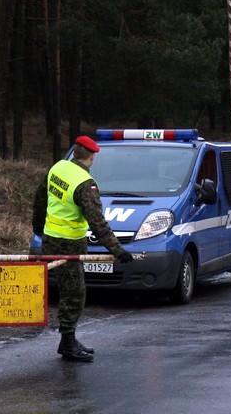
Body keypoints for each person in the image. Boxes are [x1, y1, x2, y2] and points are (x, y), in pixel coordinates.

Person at [32, 135, 134, 362]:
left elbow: (40, 198)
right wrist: (118, 251)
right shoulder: (85, 184)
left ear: (75, 152)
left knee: (69, 291)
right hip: (69, 244)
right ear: (93, 156)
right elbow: (97, 222)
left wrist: (38, 228)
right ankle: (68, 344)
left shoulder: (58, 168)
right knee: (75, 294)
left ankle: (68, 340)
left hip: (50, 238)